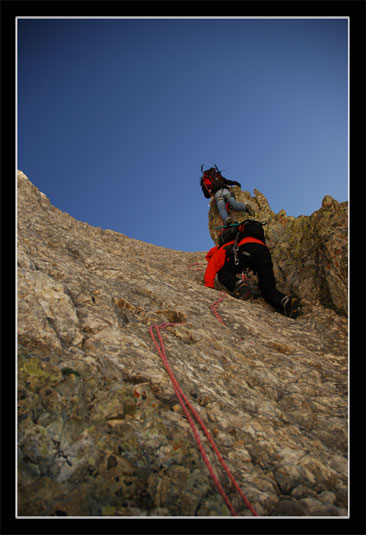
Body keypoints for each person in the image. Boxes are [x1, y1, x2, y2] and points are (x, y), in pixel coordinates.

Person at [204, 220, 301, 318]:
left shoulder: (225, 246)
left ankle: (239, 286)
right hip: (264, 252)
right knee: (268, 290)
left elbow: (213, 264)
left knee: (223, 273)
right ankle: (286, 302)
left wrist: (209, 285)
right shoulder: (245, 238)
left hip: (248, 248)